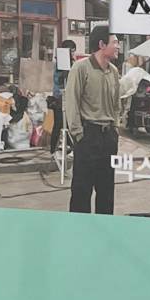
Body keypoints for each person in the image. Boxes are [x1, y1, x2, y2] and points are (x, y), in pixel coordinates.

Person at [64, 25, 122, 214]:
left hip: (108, 138)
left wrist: (115, 129)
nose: (118, 46)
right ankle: (80, 229)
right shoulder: (80, 68)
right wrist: (78, 135)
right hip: (88, 136)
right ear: (102, 44)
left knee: (107, 190)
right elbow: (71, 103)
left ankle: (104, 229)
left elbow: (116, 104)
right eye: (115, 42)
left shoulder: (114, 71)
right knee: (82, 190)